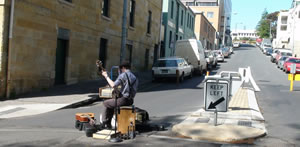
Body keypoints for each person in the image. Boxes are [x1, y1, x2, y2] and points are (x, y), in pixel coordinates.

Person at [100, 61, 138, 128]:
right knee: (111, 103)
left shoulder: (123, 75)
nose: (120, 71)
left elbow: (113, 84)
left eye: (120, 69)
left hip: (124, 100)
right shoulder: (134, 77)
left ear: (123, 68)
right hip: (131, 100)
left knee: (106, 103)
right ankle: (107, 123)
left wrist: (106, 76)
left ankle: (105, 123)